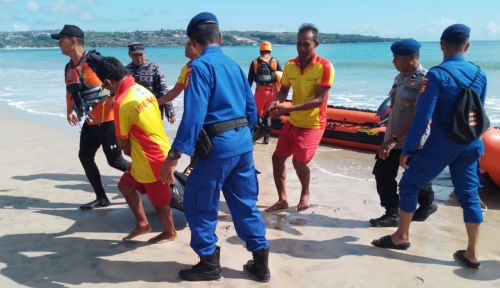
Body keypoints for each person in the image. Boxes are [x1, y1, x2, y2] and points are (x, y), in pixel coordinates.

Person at [160, 12, 270, 282]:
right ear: (219, 37)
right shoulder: (233, 66)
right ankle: (261, 264)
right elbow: (251, 111)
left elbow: (194, 116)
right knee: (245, 204)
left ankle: (209, 264)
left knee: (199, 204)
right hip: (242, 144)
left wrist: (174, 155)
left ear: (192, 41)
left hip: (216, 148)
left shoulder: (198, 67)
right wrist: (243, 136)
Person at [372, 24, 487, 269]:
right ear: (467, 46)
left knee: (409, 183)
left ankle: (401, 236)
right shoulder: (480, 73)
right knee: (469, 194)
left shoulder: (437, 75)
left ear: (442, 45)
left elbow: (423, 117)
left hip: (442, 143)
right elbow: (479, 111)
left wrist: (409, 150)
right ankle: (472, 253)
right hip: (470, 143)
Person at [95, 56, 176, 244]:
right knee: (124, 185)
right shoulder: (142, 90)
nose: (108, 90)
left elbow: (123, 142)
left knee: (160, 202)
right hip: (159, 148)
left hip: (150, 158)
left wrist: (130, 151)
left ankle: (170, 232)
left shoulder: (122, 102)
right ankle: (142, 224)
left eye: (106, 87)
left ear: (108, 81)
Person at [51, 24, 130, 210]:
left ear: (72, 41)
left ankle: (155, 180)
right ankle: (102, 198)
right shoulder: (69, 67)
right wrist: (70, 110)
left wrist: (117, 101)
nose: (59, 44)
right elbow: (69, 91)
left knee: (115, 160)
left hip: (108, 119)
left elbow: (124, 79)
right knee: (85, 156)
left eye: (61, 40)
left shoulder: (95, 61)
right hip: (90, 121)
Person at [266, 24, 334, 212]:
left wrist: (289, 108)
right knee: (277, 158)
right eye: (299, 44)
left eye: (306, 44)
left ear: (316, 44)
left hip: (313, 123)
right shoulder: (290, 65)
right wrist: (276, 103)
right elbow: (283, 91)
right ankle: (282, 199)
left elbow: (319, 100)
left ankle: (305, 193)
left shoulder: (325, 67)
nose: (302, 48)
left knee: (299, 161)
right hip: (294, 121)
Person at [370, 39, 437, 227]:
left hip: (413, 141)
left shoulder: (425, 80)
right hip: (392, 136)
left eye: (397, 58)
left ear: (412, 57)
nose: (393, 61)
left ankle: (427, 203)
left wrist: (393, 139)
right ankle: (392, 212)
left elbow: (418, 117)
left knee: (416, 178)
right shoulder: (400, 78)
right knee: (382, 174)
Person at [157, 40, 199, 175]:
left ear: (198, 46)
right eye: (185, 44)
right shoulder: (186, 68)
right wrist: (155, 102)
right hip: (193, 115)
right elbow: (175, 91)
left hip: (201, 116)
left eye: (189, 45)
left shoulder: (203, 66)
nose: (185, 47)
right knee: (197, 150)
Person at [125, 42, 176, 124]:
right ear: (130, 55)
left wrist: (170, 112)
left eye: (140, 55)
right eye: (135, 55)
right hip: (134, 109)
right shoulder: (126, 70)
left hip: (153, 107)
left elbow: (163, 90)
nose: (138, 58)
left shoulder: (153, 68)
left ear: (145, 54)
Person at [248, 41, 282, 144]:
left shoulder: (255, 62)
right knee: (268, 114)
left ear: (260, 50)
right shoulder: (275, 62)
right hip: (272, 92)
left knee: (257, 114)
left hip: (260, 92)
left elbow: (249, 81)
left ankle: (254, 137)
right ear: (270, 50)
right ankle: (266, 138)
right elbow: (282, 78)